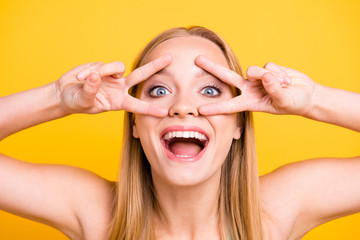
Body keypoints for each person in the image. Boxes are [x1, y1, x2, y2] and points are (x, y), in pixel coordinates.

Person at [0, 26, 359, 240]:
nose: (182, 107)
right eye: (158, 90)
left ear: (237, 124)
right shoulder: (95, 211)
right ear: (135, 124)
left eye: (209, 91)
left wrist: (313, 100)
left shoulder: (279, 208)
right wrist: (56, 99)